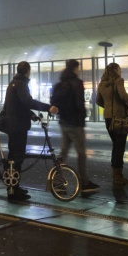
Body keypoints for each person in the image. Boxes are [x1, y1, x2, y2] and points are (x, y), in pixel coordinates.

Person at [1, 61, 57, 201]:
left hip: (14, 125)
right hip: (18, 127)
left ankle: (14, 187)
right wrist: (48, 107)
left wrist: (32, 115)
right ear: (27, 71)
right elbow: (28, 101)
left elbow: (19, 105)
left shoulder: (13, 83)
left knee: (15, 158)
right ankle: (13, 191)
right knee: (16, 158)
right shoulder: (21, 84)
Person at [51, 59, 99, 192]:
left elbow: (54, 103)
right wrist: (83, 116)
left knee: (64, 152)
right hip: (75, 123)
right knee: (81, 153)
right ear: (75, 68)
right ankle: (84, 182)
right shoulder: (77, 84)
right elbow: (79, 104)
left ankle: (57, 182)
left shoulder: (59, 85)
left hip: (63, 122)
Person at [96, 62, 128, 186]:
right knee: (120, 146)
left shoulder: (101, 84)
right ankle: (118, 176)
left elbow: (98, 101)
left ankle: (116, 174)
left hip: (108, 118)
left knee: (116, 145)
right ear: (116, 70)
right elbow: (123, 95)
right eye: (120, 69)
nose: (121, 71)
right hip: (119, 117)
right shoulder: (118, 81)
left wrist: (107, 107)